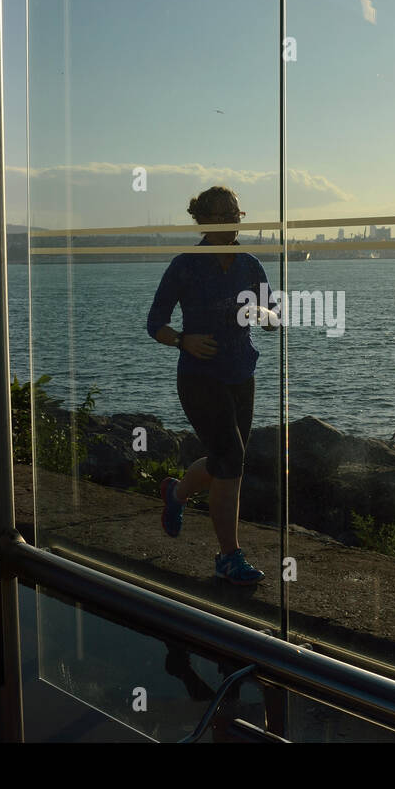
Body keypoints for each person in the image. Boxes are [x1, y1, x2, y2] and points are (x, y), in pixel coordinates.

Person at [146, 186, 278, 585]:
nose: (230, 221)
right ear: (202, 221)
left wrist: (265, 312)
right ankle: (228, 557)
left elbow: (275, 317)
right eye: (220, 214)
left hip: (242, 374)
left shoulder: (250, 265)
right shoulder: (185, 266)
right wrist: (184, 340)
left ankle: (176, 493)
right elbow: (155, 323)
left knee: (226, 461)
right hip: (199, 377)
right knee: (232, 460)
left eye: (234, 213)